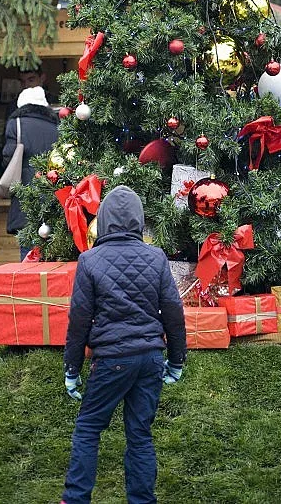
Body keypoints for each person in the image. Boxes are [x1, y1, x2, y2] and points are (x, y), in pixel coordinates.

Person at [60, 184, 187, 504]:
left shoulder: (89, 261)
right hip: (150, 359)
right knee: (140, 435)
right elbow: (173, 312)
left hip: (112, 359)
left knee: (88, 428)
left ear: (102, 221)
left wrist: (72, 369)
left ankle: (75, 500)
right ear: (138, 221)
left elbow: (78, 321)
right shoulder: (155, 257)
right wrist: (176, 360)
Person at [2, 85, 58, 259]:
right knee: (54, 253)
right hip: (54, 197)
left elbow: (7, 158)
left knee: (28, 254)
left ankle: (29, 286)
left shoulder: (16, 124)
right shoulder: (57, 125)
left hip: (26, 198)